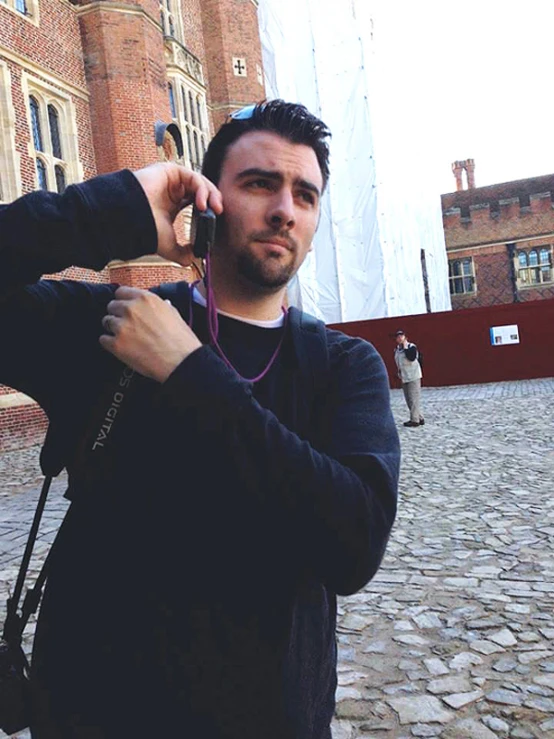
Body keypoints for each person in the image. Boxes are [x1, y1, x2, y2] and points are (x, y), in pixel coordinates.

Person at [0, 100, 400, 739]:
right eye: (260, 183)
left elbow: (353, 544)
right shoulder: (114, 323)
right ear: (209, 200)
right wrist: (113, 213)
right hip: (94, 711)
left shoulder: (341, 367)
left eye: (305, 194)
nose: (284, 210)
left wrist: (190, 375)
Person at [394, 329, 424, 427]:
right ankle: (419, 417)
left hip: (413, 375)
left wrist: (406, 347)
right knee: (408, 399)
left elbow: (411, 357)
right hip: (404, 376)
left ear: (405, 337)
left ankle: (415, 420)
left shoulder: (411, 347)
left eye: (401, 336)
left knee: (414, 398)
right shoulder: (397, 350)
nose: (399, 338)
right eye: (397, 337)